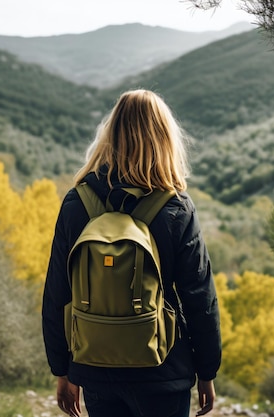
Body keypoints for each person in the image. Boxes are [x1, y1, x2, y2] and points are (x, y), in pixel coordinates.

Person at [42, 89, 222, 417]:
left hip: (95, 366)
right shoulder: (176, 207)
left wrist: (62, 369)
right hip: (163, 368)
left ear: (110, 134)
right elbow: (200, 298)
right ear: (164, 138)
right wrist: (207, 372)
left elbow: (57, 293)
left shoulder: (77, 203)